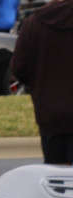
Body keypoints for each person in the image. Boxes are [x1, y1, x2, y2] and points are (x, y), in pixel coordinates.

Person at [12, 0, 73, 165]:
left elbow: (18, 67)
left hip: (50, 113)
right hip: (51, 111)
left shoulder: (35, 22)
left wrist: (38, 87)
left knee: (55, 179)